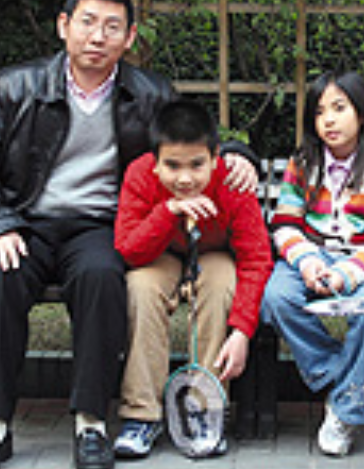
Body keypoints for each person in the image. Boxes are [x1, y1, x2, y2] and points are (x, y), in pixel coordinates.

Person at [0, 0, 258, 469]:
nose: (98, 36)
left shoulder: (150, 92)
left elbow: (193, 137)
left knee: (102, 275)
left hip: (97, 225)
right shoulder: (15, 87)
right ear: (63, 26)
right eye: (88, 23)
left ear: (129, 36)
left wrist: (240, 155)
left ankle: (91, 421)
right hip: (24, 221)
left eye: (112, 27)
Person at [111, 99, 273, 460]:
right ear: (155, 162)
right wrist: (168, 211)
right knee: (141, 287)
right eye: (172, 165)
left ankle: (206, 409)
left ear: (215, 157)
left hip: (215, 253)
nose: (184, 178)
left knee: (221, 282)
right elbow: (128, 250)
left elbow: (256, 259)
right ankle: (141, 414)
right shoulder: (139, 175)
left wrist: (242, 331)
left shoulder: (233, 181)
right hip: (161, 253)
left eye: (197, 164)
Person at [260, 71, 364, 457]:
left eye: (339, 108)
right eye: (320, 111)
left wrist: (345, 274)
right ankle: (353, 382)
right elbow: (285, 224)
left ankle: (346, 412)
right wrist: (307, 261)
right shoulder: (303, 163)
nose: (329, 120)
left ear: (362, 113)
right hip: (312, 252)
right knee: (276, 298)